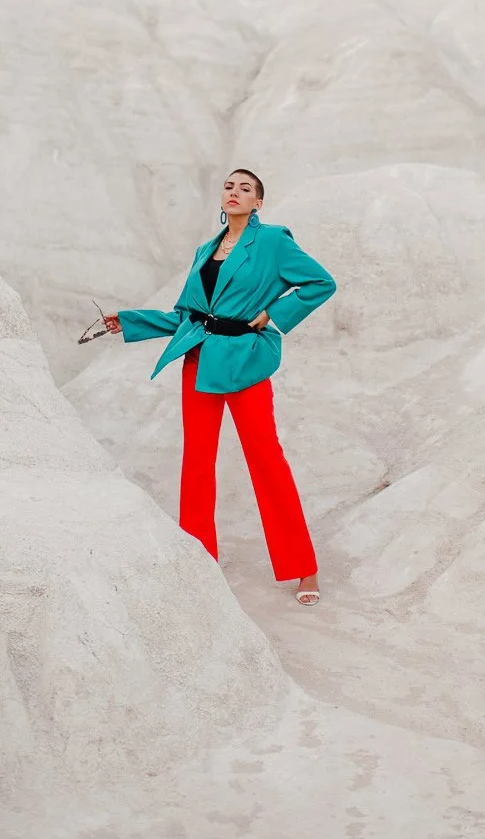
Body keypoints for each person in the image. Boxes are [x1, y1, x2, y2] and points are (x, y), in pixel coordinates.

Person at [104, 169, 336, 605]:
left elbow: (322, 282)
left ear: (258, 203)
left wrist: (273, 315)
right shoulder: (204, 250)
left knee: (266, 460)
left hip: (245, 361)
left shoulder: (272, 242)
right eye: (230, 186)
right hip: (200, 362)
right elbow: (189, 315)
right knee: (196, 462)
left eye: (245, 188)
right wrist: (130, 321)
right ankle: (199, 561)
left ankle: (303, 569)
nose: (235, 192)